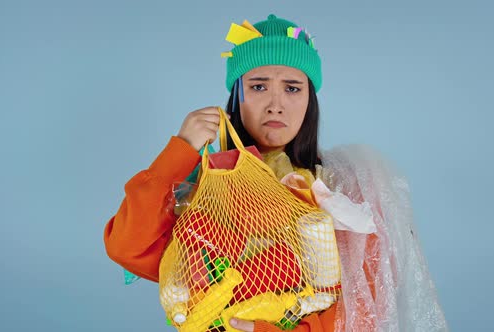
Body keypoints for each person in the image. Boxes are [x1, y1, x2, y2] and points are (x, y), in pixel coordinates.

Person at [104, 14, 448, 332]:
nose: (275, 103)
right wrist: (180, 149)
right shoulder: (206, 183)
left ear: (310, 99)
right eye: (258, 86)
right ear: (236, 96)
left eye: (292, 88)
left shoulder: (343, 187)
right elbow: (127, 247)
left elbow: (364, 307)